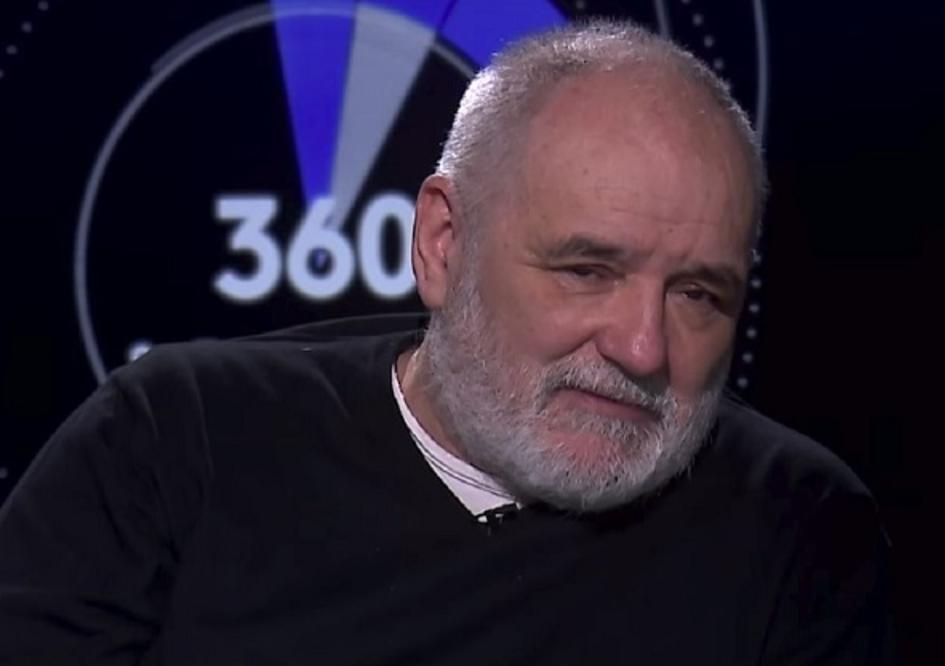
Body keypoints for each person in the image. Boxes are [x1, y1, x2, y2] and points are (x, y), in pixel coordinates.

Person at [0, 19, 892, 665]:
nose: (642, 347)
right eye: (587, 270)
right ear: (441, 244)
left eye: (698, 294)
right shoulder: (174, 439)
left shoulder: (797, 526)